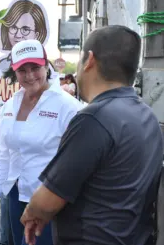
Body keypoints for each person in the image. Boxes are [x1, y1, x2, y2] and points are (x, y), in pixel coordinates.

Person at [20, 25, 164, 245]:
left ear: (89, 60)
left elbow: (46, 202)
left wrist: (32, 212)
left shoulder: (94, 118)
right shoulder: (148, 117)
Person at [0, 39, 82, 245]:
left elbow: (76, 162)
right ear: (14, 72)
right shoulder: (11, 105)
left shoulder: (68, 107)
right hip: (14, 195)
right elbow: (1, 152)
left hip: (48, 199)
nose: (29, 76)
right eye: (22, 70)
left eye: (35, 68)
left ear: (46, 65)